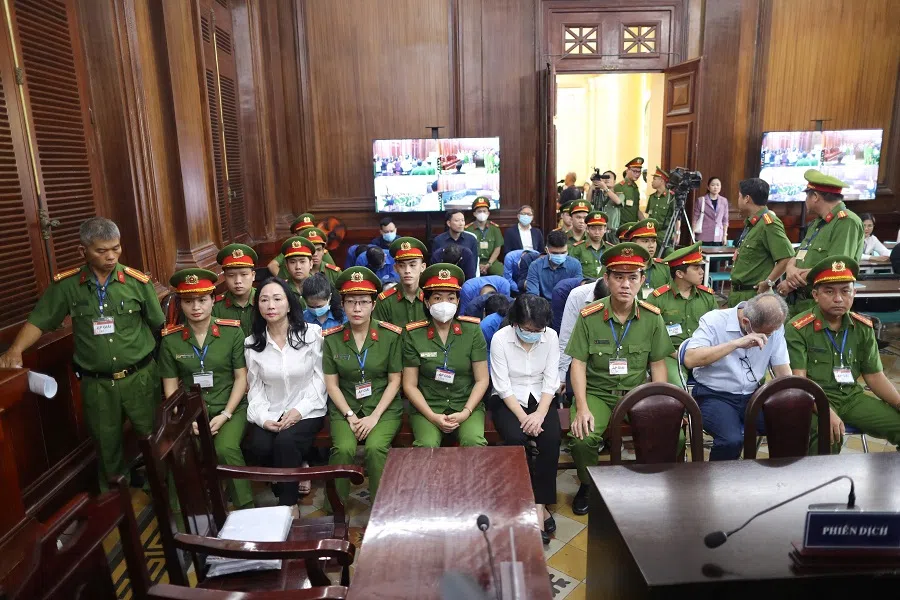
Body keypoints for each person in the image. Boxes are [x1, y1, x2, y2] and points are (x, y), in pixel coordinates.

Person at [0, 217, 165, 483]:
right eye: (102, 250)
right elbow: (39, 320)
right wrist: (15, 350)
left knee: (154, 438)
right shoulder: (67, 286)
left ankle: (164, 493)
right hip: (97, 384)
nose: (111, 256)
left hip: (140, 378)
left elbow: (158, 324)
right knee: (106, 446)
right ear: (83, 251)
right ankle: (115, 508)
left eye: (116, 248)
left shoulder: (137, 282)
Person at [566, 243, 673, 513]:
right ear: (606, 279)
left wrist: (660, 403)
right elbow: (577, 364)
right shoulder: (589, 317)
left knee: (672, 433)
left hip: (637, 394)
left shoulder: (652, 318)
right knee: (582, 438)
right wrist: (582, 407)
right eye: (618, 277)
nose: (625, 284)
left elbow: (658, 364)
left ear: (642, 280)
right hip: (598, 392)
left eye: (632, 277)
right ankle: (588, 485)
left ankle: (651, 482)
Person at [786, 257, 900, 453]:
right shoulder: (798, 328)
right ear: (815, 294)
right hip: (815, 398)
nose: (838, 298)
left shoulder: (862, 327)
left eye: (845, 291)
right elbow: (799, 382)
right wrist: (825, 410)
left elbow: (874, 376)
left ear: (854, 293)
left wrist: (898, 402)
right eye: (829, 291)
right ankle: (820, 483)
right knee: (827, 434)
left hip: (851, 397)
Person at [159, 269, 252, 508]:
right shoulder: (171, 340)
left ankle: (245, 510)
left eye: (202, 300)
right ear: (181, 305)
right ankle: (187, 522)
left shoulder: (232, 332)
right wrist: (184, 419)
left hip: (230, 407)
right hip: (191, 411)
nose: (196, 307)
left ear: (213, 300)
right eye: (189, 302)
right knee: (182, 454)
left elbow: (241, 378)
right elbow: (170, 388)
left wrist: (226, 414)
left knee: (226, 449)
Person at [241, 277, 326, 509]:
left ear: (289, 304)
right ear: (257, 306)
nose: (271, 305)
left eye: (277, 299)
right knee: (259, 446)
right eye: (264, 300)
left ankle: (288, 506)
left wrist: (299, 410)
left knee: (285, 442)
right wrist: (263, 418)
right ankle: (297, 470)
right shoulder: (252, 344)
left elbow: (321, 380)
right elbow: (255, 388)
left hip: (308, 408)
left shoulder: (311, 334)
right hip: (272, 410)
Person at [323, 267, 404, 504]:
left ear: (373, 304)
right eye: (351, 302)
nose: (357, 309)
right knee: (343, 449)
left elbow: (395, 380)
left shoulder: (390, 336)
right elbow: (332, 385)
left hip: (383, 407)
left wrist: (374, 417)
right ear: (343, 304)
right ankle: (334, 510)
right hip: (345, 407)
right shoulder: (332, 339)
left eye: (363, 302)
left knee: (375, 448)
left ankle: (382, 508)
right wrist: (349, 415)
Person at [683, 293, 793, 460]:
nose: (769, 336)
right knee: (731, 440)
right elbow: (690, 359)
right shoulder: (714, 320)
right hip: (713, 395)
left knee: (789, 426)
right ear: (746, 322)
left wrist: (791, 400)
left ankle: (777, 479)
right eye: (766, 334)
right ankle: (719, 482)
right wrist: (735, 344)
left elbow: (783, 371)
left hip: (753, 396)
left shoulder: (774, 328)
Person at [489, 294, 561, 545]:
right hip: (509, 399)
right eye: (527, 329)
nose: (532, 333)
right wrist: (524, 418)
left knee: (551, 439)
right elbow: (501, 384)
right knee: (515, 437)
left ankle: (540, 506)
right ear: (515, 323)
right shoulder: (500, 339)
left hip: (541, 397)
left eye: (537, 330)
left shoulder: (550, 337)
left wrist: (540, 414)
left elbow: (552, 378)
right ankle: (520, 500)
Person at [401, 263, 489, 448]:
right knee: (426, 445)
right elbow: (409, 385)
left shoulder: (472, 330)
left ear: (458, 302)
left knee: (474, 442)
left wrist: (466, 412)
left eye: (450, 298)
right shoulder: (413, 334)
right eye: (437, 298)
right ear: (427, 302)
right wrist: (432, 416)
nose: (444, 304)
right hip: (428, 407)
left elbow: (482, 380)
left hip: (466, 404)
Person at [777, 169, 864, 315]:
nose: (806, 200)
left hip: (820, 306)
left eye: (807, 195)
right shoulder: (818, 223)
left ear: (815, 196)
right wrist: (790, 268)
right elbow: (798, 254)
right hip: (799, 302)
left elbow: (836, 266)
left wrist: (791, 282)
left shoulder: (846, 221)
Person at [646, 242, 717, 386]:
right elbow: (649, 336)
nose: (702, 272)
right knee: (678, 387)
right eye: (696, 268)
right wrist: (679, 355)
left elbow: (717, 329)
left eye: (701, 267)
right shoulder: (658, 298)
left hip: (703, 353)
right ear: (679, 273)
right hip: (671, 355)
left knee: (722, 383)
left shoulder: (707, 296)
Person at [728, 178, 795, 307]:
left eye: (739, 197)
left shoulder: (769, 223)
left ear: (747, 198)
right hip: (738, 294)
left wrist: (769, 282)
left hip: (753, 297)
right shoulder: (752, 223)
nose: (738, 201)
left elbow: (787, 257)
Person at [557, 278, 609, 395]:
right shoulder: (577, 296)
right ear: (594, 298)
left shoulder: (627, 296)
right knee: (572, 392)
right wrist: (561, 376)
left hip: (614, 356)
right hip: (583, 353)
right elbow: (566, 337)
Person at [374, 236, 428, 326]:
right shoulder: (385, 301)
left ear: (422, 267)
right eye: (402, 265)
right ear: (396, 268)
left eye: (412, 265)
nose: (407, 270)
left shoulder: (431, 298)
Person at [213, 243, 258, 336]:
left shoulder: (264, 300)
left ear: (253, 276)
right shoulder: (215, 306)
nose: (238, 281)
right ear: (224, 277)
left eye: (244, 275)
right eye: (231, 276)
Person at [526, 229, 583, 300]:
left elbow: (577, 292)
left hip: (566, 306)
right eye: (555, 253)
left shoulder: (575, 264)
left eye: (563, 253)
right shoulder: (535, 266)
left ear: (567, 249)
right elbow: (533, 295)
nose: (559, 256)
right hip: (543, 306)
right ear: (546, 250)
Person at [267, 213, 328, 277]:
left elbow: (331, 272)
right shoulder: (292, 250)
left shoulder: (321, 251)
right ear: (296, 236)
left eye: (310, 231)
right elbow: (272, 265)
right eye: (304, 233)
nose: (308, 236)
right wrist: (284, 282)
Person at [627, 219, 670, 294]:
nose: (651, 245)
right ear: (633, 244)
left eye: (653, 241)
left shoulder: (664, 268)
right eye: (645, 241)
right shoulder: (623, 268)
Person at [465, 196, 505, 276]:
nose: (482, 213)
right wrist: (477, 265)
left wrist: (488, 264)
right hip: (474, 262)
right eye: (479, 211)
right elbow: (466, 250)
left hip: (491, 261)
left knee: (501, 272)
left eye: (484, 211)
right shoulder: (467, 229)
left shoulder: (494, 228)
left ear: (488, 213)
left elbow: (497, 248)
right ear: (474, 214)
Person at [280, 236, 316, 307]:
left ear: (311, 264)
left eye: (302, 261)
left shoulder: (321, 286)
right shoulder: (281, 288)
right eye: (292, 262)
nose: (298, 267)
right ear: (286, 265)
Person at [571, 211, 608, 278]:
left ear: (605, 230)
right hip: (584, 285)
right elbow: (572, 272)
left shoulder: (610, 249)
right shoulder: (578, 248)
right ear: (587, 229)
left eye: (600, 229)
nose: (597, 232)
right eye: (593, 229)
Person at [693, 177, 729, 244]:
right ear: (708, 187)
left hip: (718, 237)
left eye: (718, 185)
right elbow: (695, 218)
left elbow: (725, 220)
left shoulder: (724, 201)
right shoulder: (701, 200)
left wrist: (724, 235)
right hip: (703, 236)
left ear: (720, 187)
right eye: (713, 185)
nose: (715, 187)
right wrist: (693, 233)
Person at [645, 167, 675, 246]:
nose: (652, 181)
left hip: (665, 234)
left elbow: (676, 217)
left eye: (654, 179)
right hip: (651, 233)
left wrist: (676, 233)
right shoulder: (652, 197)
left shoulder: (671, 197)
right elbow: (648, 215)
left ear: (662, 181)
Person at [613, 157, 645, 224]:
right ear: (627, 170)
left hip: (632, 226)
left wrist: (645, 223)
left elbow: (636, 209)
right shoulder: (619, 187)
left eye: (639, 172)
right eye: (634, 171)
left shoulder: (635, 188)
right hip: (621, 226)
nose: (637, 174)